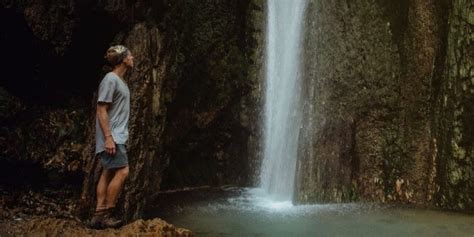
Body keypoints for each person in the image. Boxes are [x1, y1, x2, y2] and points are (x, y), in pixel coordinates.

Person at [89, 45, 134, 229]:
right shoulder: (110, 79)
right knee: (123, 171)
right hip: (112, 136)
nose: (133, 57)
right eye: (130, 55)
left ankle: (98, 216)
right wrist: (108, 137)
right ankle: (106, 213)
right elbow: (101, 109)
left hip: (117, 135)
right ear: (123, 59)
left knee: (108, 172)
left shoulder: (120, 81)